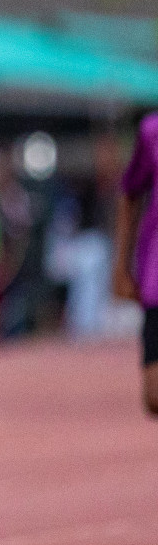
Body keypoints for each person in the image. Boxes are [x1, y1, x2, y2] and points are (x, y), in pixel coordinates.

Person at [112, 111, 158, 416]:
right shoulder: (151, 131)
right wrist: (121, 267)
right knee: (153, 398)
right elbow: (129, 195)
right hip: (156, 276)